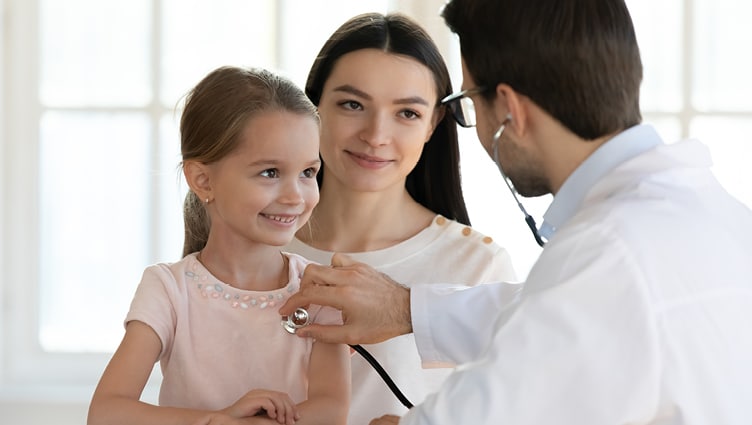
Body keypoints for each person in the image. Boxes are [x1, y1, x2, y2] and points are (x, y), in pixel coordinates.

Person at [280, 0, 752, 424]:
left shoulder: (608, 248)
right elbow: (552, 313)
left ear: (508, 109)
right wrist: (406, 308)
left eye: (468, 101)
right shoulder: (715, 217)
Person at [282, 12, 518, 425]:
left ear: (433, 124)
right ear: (314, 106)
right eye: (352, 104)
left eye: (407, 113)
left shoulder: (478, 266)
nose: (375, 135)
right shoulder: (251, 239)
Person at [88, 66, 350, 425]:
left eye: (308, 172)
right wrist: (216, 419)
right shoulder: (168, 290)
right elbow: (106, 413)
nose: (295, 196)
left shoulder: (319, 293)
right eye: (270, 172)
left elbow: (330, 410)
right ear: (202, 179)